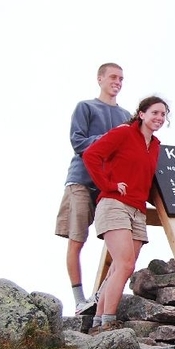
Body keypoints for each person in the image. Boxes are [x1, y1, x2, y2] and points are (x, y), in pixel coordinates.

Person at [82, 96, 167, 333]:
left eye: (163, 115)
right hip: (114, 204)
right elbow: (91, 155)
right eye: (154, 113)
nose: (159, 118)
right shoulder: (124, 133)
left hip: (138, 210)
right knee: (125, 263)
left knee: (120, 267)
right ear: (141, 114)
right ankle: (109, 320)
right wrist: (107, 185)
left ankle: (99, 321)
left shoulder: (156, 145)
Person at [55, 63, 131, 315]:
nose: (118, 81)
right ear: (100, 79)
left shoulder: (126, 116)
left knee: (115, 242)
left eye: (121, 78)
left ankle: (100, 296)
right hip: (81, 180)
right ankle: (79, 299)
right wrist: (110, 138)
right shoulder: (85, 107)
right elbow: (78, 142)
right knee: (77, 240)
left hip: (110, 188)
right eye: (113, 77)